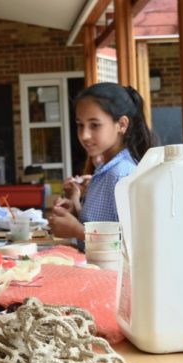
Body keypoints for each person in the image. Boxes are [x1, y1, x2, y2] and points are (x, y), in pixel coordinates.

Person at [48, 82, 156, 248]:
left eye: (95, 125)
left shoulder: (122, 175)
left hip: (112, 274)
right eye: (80, 125)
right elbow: (98, 224)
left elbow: (131, 244)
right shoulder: (104, 170)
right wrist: (74, 207)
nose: (84, 135)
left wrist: (76, 230)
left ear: (122, 124)